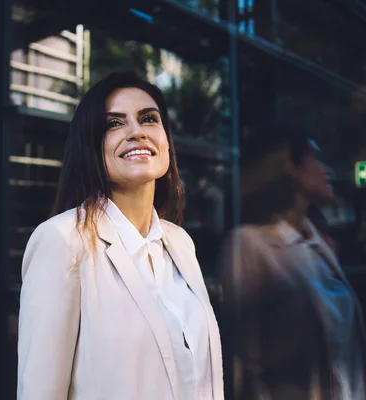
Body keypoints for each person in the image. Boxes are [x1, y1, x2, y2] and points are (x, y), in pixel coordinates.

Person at [17, 72, 224, 400]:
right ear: (91, 146)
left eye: (148, 119)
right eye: (114, 123)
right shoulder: (62, 241)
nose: (136, 132)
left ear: (166, 140)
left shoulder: (180, 243)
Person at [220, 127, 366, 399]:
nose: (328, 170)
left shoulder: (319, 245)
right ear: (289, 167)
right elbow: (244, 364)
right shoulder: (248, 245)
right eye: (315, 158)